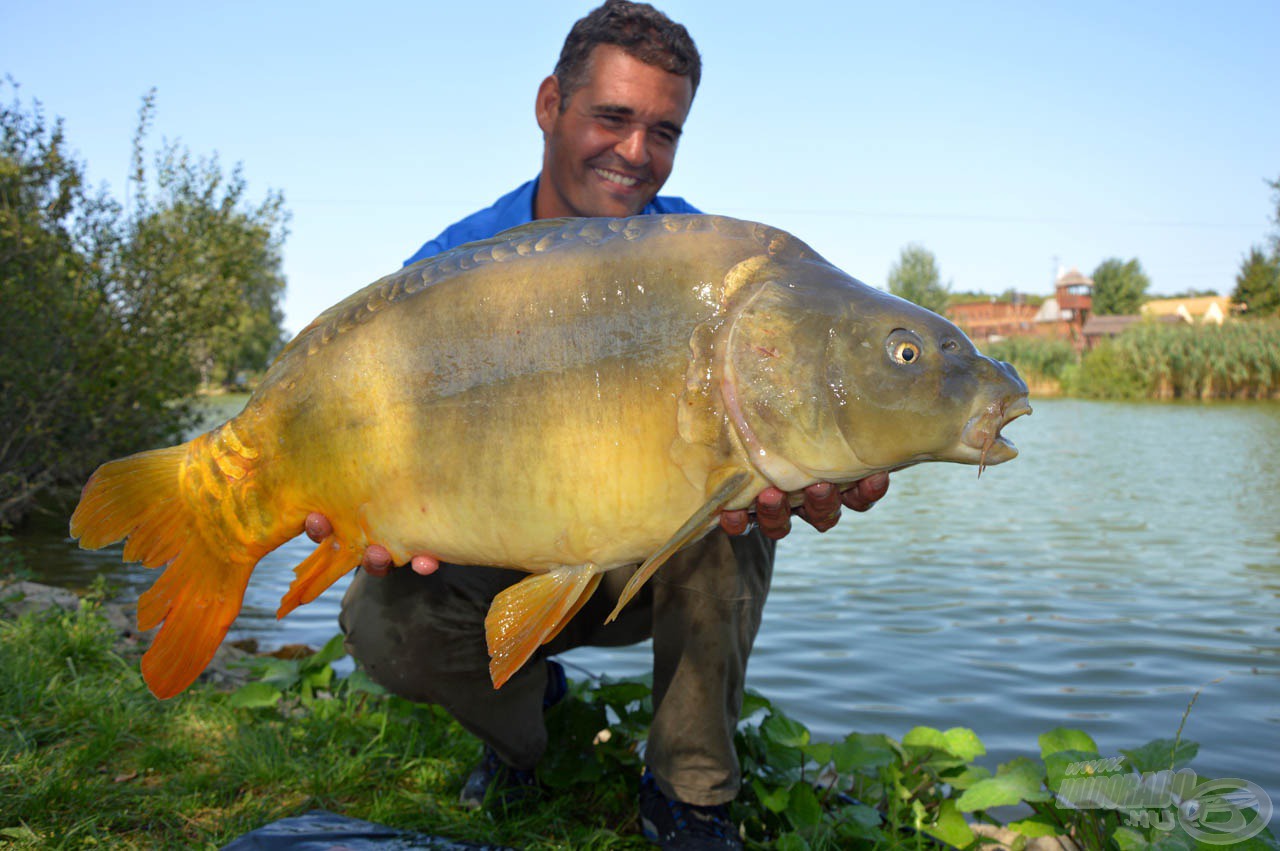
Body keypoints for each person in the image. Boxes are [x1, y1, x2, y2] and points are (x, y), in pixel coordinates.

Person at [306, 3, 889, 848]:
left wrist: (813, 460)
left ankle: (689, 791)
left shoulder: (707, 265)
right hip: (494, 557)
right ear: (550, 105)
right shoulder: (451, 267)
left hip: (646, 561)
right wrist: (368, 503)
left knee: (738, 494)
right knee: (380, 617)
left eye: (664, 130)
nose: (635, 152)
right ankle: (525, 728)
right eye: (612, 117)